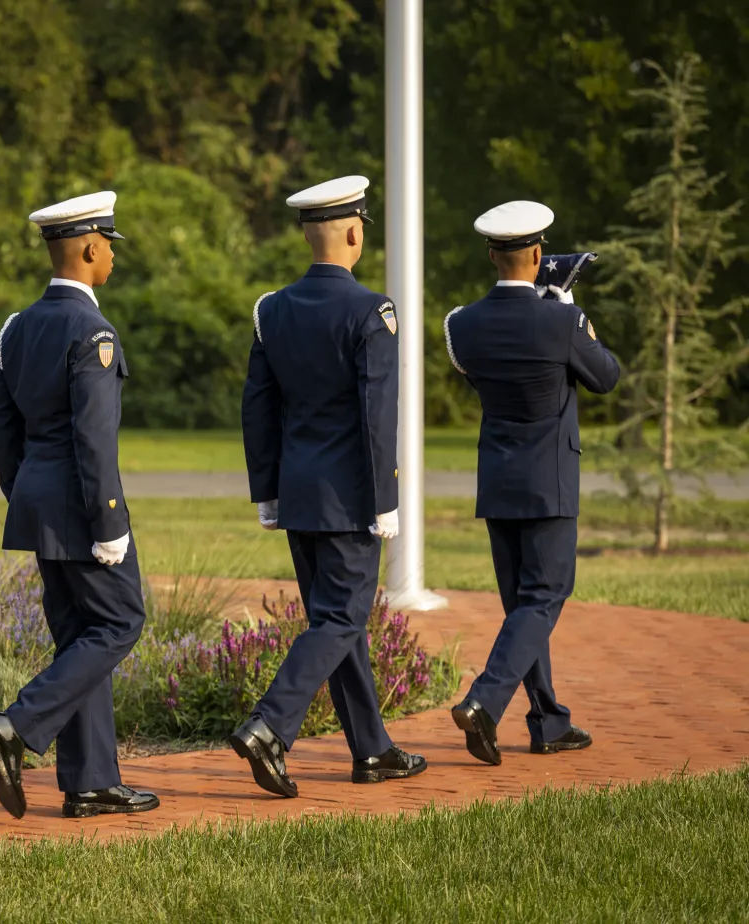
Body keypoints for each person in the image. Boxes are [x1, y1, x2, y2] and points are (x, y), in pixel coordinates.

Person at [229, 175, 427, 796]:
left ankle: (373, 750)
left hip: (300, 492)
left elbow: (257, 407)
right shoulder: (373, 311)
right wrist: (386, 501)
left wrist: (267, 491)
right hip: (349, 496)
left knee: (336, 622)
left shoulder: (273, 310)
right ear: (352, 232)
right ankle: (270, 725)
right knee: (341, 617)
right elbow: (377, 415)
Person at [0, 191, 159, 820]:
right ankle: (16, 725)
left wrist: (25, 494)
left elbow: (4, 429)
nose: (111, 255)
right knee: (119, 622)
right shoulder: (93, 330)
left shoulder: (17, 327)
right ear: (87, 247)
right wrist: (107, 520)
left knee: (79, 636)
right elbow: (92, 438)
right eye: (108, 244)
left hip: (38, 500)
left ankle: (90, 781)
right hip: (83, 506)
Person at [444, 200, 620, 765]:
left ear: (491, 254)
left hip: (498, 478)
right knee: (544, 598)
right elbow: (606, 377)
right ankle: (484, 702)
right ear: (539, 255)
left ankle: (548, 721)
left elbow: (481, 378)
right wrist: (572, 313)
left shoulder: (460, 324)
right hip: (550, 481)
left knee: (523, 604)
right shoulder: (562, 322)